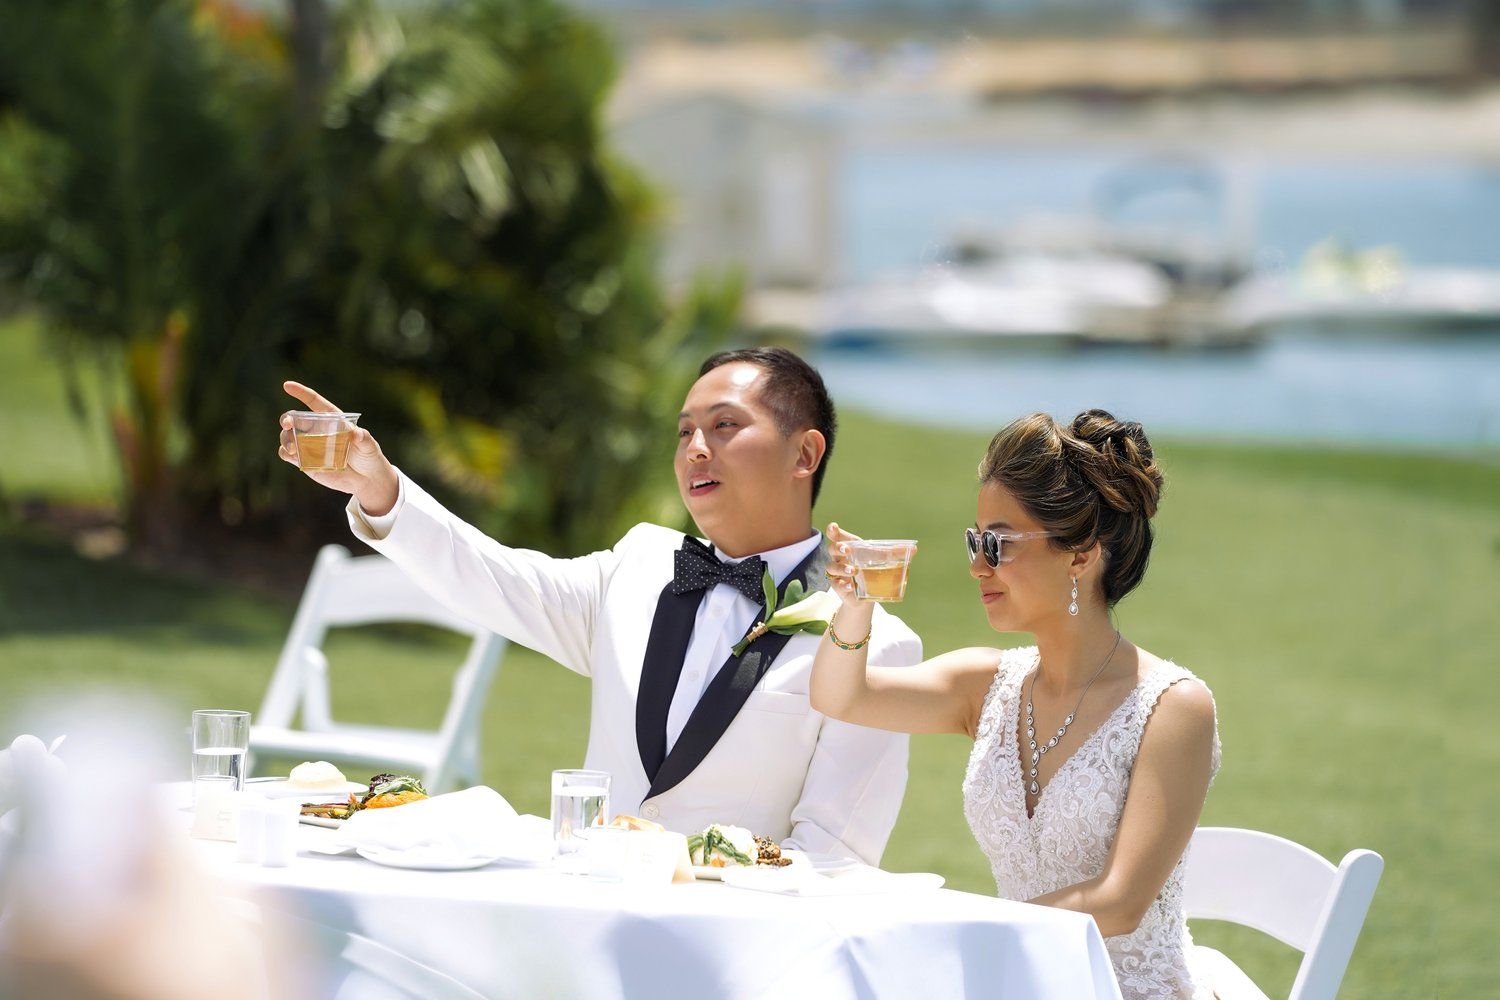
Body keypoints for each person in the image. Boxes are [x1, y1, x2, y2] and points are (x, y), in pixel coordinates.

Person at [277, 348, 921, 864]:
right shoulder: (638, 567)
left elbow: (836, 861)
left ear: (804, 454)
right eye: (685, 431)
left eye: (725, 425)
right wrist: (382, 489)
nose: (696, 447)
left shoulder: (873, 644)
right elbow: (494, 579)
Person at [811, 409, 1220, 999]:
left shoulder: (1173, 708)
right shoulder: (987, 686)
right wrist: (855, 604)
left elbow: (1122, 901)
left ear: (1081, 554)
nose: (977, 565)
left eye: (998, 543)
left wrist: (969, 934)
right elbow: (839, 696)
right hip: (1015, 978)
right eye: (975, 541)